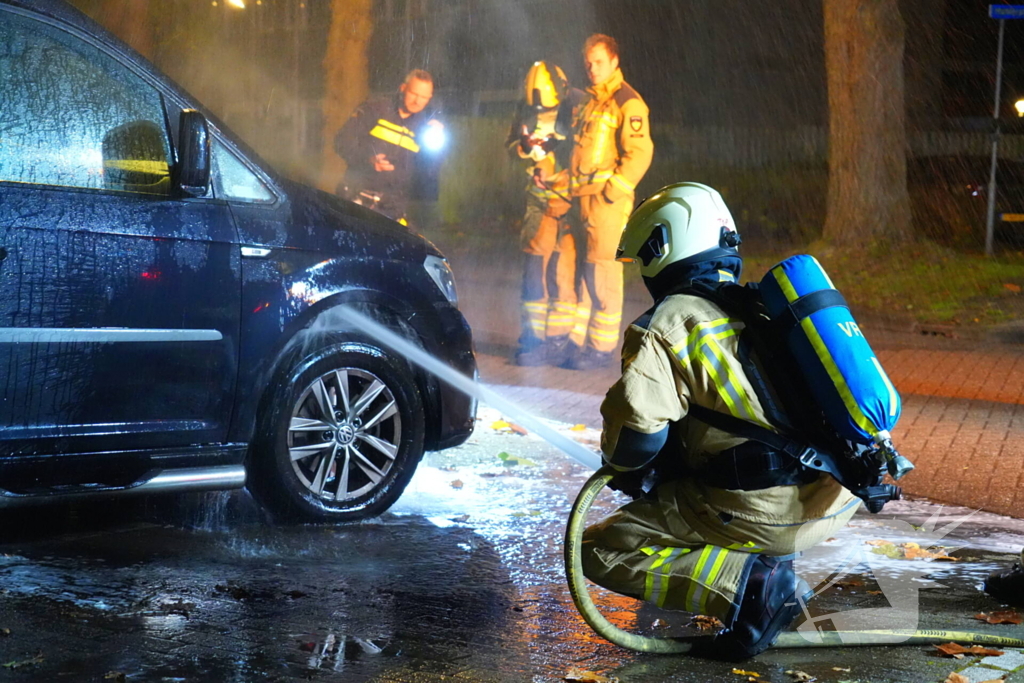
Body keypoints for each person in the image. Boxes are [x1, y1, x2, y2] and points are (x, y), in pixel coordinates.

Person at [580, 183, 862, 660]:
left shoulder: (668, 323)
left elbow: (634, 441)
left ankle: (747, 586)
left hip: (768, 512)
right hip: (836, 496)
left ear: (660, 248)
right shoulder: (759, 308)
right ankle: (771, 567)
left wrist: (630, 469)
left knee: (598, 550)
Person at [547, 34, 653, 371]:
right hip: (580, 202)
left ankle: (601, 349)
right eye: (589, 62)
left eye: (599, 62)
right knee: (577, 272)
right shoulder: (592, 101)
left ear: (614, 62)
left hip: (606, 203)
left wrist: (611, 192)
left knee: (603, 274)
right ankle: (577, 344)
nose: (592, 68)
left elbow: (640, 154)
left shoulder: (628, 102)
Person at [506, 62, 586, 366]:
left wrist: (556, 147)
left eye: (547, 106)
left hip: (569, 207)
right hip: (537, 208)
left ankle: (559, 339)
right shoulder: (525, 111)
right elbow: (511, 146)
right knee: (534, 274)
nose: (541, 111)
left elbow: (586, 152)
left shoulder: (576, 109)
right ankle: (533, 339)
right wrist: (525, 148)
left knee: (564, 276)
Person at [335, 69, 444, 226]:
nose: (417, 101)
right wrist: (367, 159)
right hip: (357, 197)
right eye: (414, 94)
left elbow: (429, 171)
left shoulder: (425, 126)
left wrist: (437, 149)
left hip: (393, 208)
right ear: (403, 88)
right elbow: (341, 141)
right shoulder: (376, 109)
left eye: (424, 97)